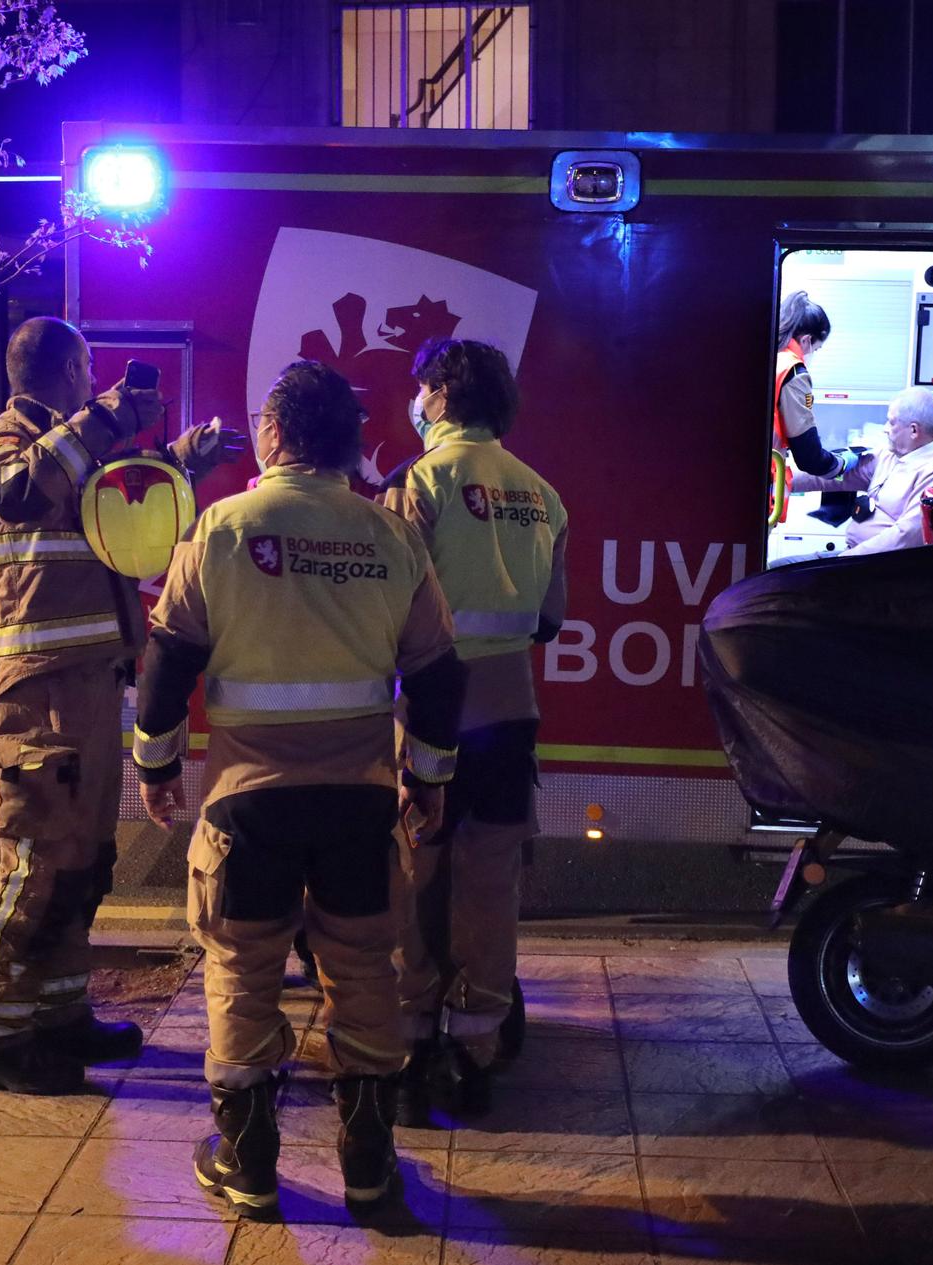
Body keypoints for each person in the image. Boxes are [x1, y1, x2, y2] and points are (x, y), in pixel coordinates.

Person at [132, 360, 465, 1213]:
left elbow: (169, 657)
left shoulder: (221, 527)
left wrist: (157, 764)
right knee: (363, 972)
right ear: (350, 443)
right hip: (359, 801)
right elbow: (436, 675)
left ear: (274, 434)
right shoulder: (390, 536)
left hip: (249, 801)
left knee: (241, 968)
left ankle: (246, 1160)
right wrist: (427, 782)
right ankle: (369, 1162)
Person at [0, 316, 244, 1095]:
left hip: (84, 680)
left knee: (83, 861)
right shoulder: (3, 443)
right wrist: (109, 416)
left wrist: (186, 458)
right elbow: (21, 494)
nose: (96, 384)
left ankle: (57, 1013)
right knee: (35, 858)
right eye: (89, 371)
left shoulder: (74, 449)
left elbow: (118, 509)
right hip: (35, 687)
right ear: (70, 368)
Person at [379, 339, 566, 1123]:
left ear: (441, 393)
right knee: (490, 886)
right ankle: (477, 1049)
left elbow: (391, 609)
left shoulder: (416, 483)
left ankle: (414, 1038)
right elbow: (549, 620)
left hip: (431, 713)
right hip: (509, 713)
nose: (414, 400)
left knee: (416, 873)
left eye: (421, 387)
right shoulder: (542, 493)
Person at [790, 386, 933, 557]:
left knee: (781, 579)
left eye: (891, 422)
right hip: (851, 557)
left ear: (913, 430)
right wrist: (780, 478)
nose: (885, 428)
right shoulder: (890, 455)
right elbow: (838, 474)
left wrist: (842, 562)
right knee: (777, 568)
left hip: (874, 569)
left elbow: (906, 537)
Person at [770, 291, 861, 525]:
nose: (813, 355)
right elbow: (809, 458)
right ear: (807, 340)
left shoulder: (769, 357)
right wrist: (842, 463)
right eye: (816, 349)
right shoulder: (793, 372)